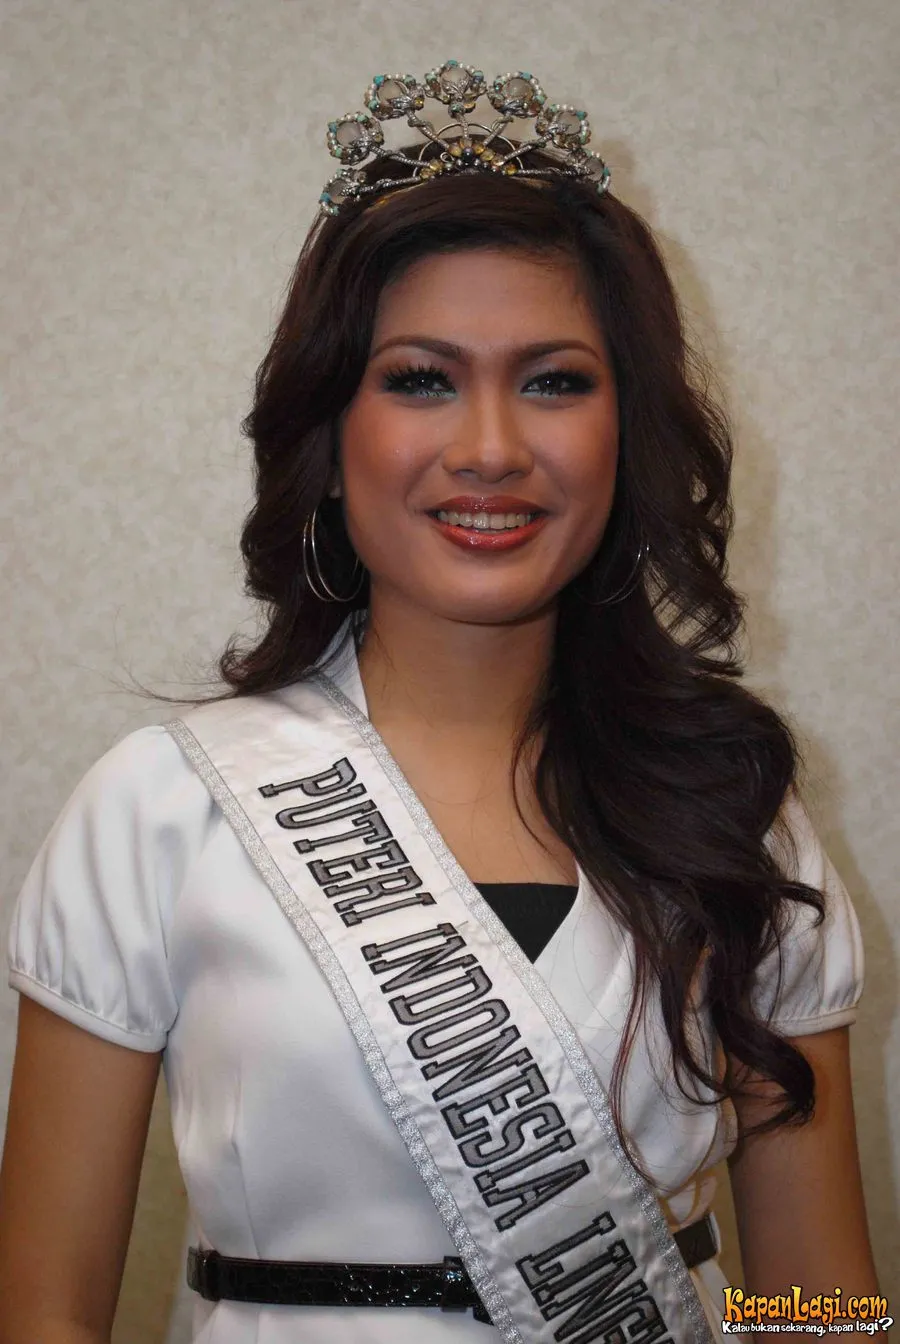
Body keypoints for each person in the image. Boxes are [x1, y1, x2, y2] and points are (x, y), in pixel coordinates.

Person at [0, 61, 881, 1344]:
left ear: (626, 434)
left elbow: (824, 1305)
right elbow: (40, 1311)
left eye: (554, 381)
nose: (490, 449)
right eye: (421, 378)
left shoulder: (734, 810)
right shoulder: (162, 809)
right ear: (329, 435)